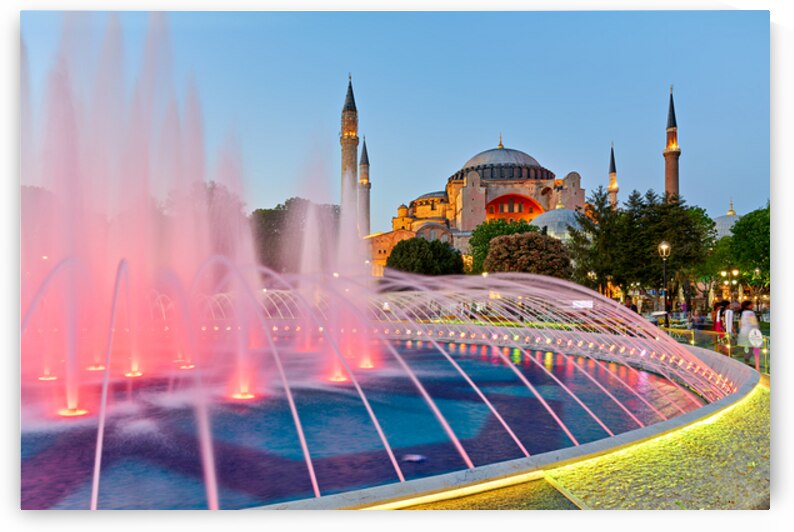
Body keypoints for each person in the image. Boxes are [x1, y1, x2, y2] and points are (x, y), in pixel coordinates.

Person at [737, 300, 762, 371]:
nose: (753, 305)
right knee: (756, 348)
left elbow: (740, 324)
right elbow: (754, 323)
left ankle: (746, 361)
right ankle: (757, 365)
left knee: (747, 348)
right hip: (751, 332)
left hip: (743, 332)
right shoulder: (750, 313)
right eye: (752, 304)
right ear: (748, 306)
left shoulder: (742, 313)